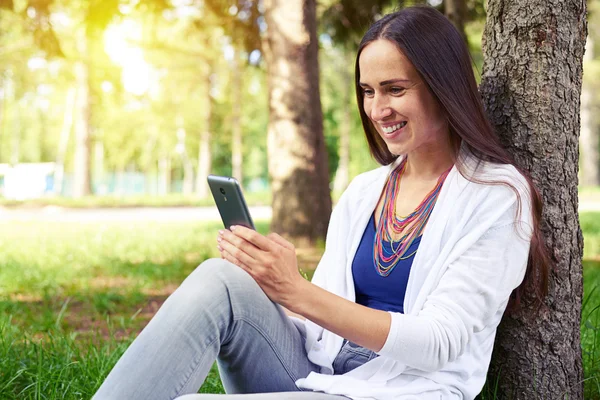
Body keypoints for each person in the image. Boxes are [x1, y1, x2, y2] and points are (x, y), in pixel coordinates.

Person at [93, 5, 549, 400]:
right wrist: (269, 283)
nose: (376, 109)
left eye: (394, 89)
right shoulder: (366, 192)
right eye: (368, 92)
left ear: (442, 86)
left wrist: (297, 290)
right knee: (223, 279)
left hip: (404, 391)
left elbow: (440, 342)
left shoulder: (496, 196)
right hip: (322, 377)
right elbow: (322, 322)